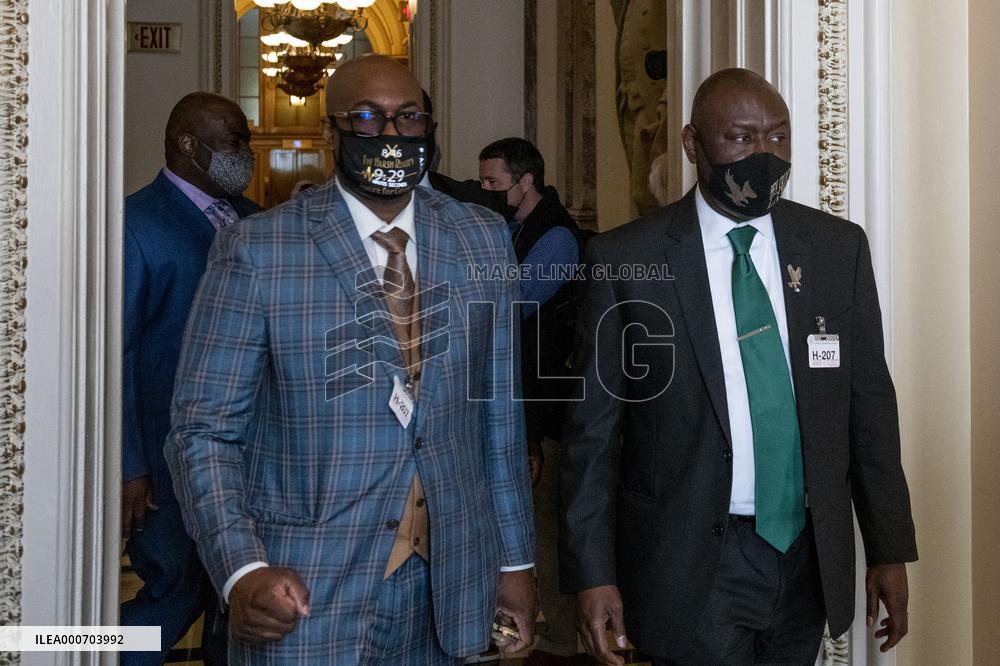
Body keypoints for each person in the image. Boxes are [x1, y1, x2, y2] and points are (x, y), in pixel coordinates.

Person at [165, 54, 537, 665]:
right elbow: (203, 432)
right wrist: (242, 569)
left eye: (408, 118)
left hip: (452, 585)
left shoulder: (481, 237)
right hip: (306, 584)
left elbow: (499, 411)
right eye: (367, 119)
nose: (390, 135)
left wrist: (515, 561)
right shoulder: (258, 249)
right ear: (332, 133)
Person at [560, 68, 917, 665]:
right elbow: (593, 435)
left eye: (778, 138)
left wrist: (888, 548)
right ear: (692, 143)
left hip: (804, 555)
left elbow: (868, 406)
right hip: (691, 558)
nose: (763, 155)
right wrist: (592, 573)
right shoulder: (627, 259)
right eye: (741, 138)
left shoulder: (835, 248)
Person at [121, 91, 259, 665]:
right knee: (171, 592)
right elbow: (119, 353)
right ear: (187, 144)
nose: (246, 154)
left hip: (251, 453)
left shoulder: (254, 220)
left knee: (239, 601)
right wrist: (131, 467)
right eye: (234, 141)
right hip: (167, 459)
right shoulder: (133, 223)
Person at [479, 138, 583, 664]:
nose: (486, 192)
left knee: (547, 526)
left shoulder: (556, 236)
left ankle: (561, 639)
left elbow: (511, 308)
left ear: (526, 181)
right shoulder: (517, 228)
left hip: (550, 410)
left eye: (494, 184)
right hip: (526, 401)